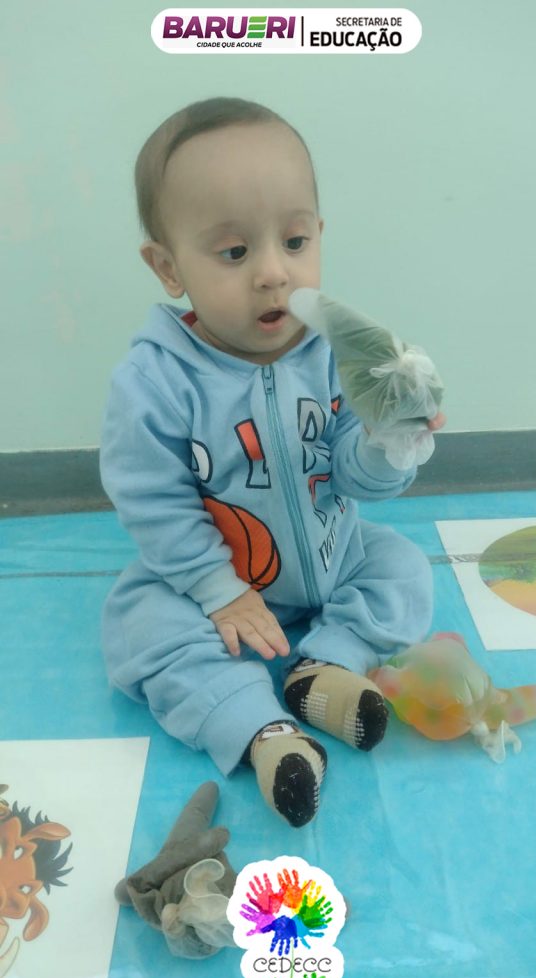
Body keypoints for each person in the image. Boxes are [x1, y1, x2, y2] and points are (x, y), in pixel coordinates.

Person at [100, 96, 443, 828]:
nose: (273, 273)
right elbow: (152, 503)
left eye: (293, 241)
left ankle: (324, 669)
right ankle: (263, 732)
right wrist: (216, 590)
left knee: (406, 569)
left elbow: (352, 476)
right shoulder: (155, 381)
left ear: (319, 234)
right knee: (139, 626)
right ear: (168, 267)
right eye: (234, 252)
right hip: (213, 584)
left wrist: (388, 442)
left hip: (332, 560)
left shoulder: (335, 354)